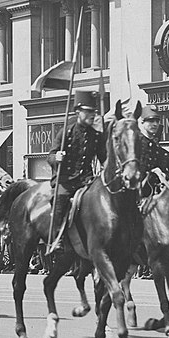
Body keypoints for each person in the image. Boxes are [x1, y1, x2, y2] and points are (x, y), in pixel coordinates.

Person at [46, 91, 106, 255]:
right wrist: (56, 157)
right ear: (78, 112)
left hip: (87, 180)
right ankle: (56, 237)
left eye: (93, 112)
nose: (92, 115)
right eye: (88, 112)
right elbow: (51, 155)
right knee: (60, 200)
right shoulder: (66, 132)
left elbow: (104, 158)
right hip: (66, 179)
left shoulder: (96, 136)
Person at [138, 104, 169, 197]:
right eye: (151, 121)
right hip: (139, 197)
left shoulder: (163, 153)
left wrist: (163, 175)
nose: (155, 124)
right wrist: (152, 173)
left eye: (157, 121)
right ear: (142, 122)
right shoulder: (136, 147)